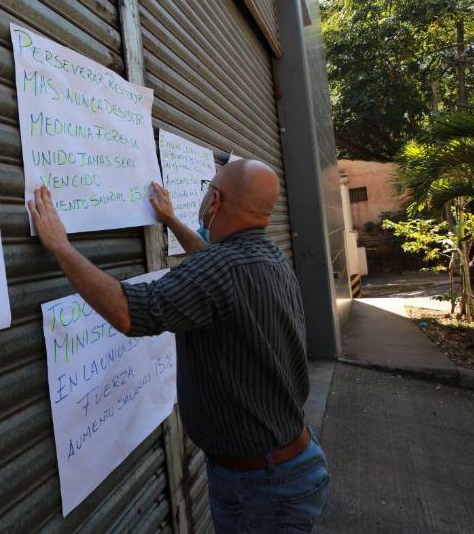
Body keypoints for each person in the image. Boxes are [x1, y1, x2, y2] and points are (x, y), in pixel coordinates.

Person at [28, 158, 329, 532]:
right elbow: (215, 269)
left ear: (215, 202)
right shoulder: (268, 257)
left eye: (208, 187)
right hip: (281, 471)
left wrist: (61, 247)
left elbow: (128, 312)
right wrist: (171, 221)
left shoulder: (224, 268)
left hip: (264, 488)